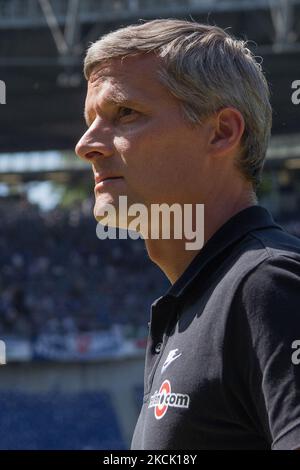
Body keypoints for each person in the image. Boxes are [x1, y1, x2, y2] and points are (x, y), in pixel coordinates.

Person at [75, 19, 300, 450]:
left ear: (221, 132)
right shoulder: (198, 300)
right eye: (90, 120)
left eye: (125, 113)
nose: (86, 145)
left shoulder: (269, 285)